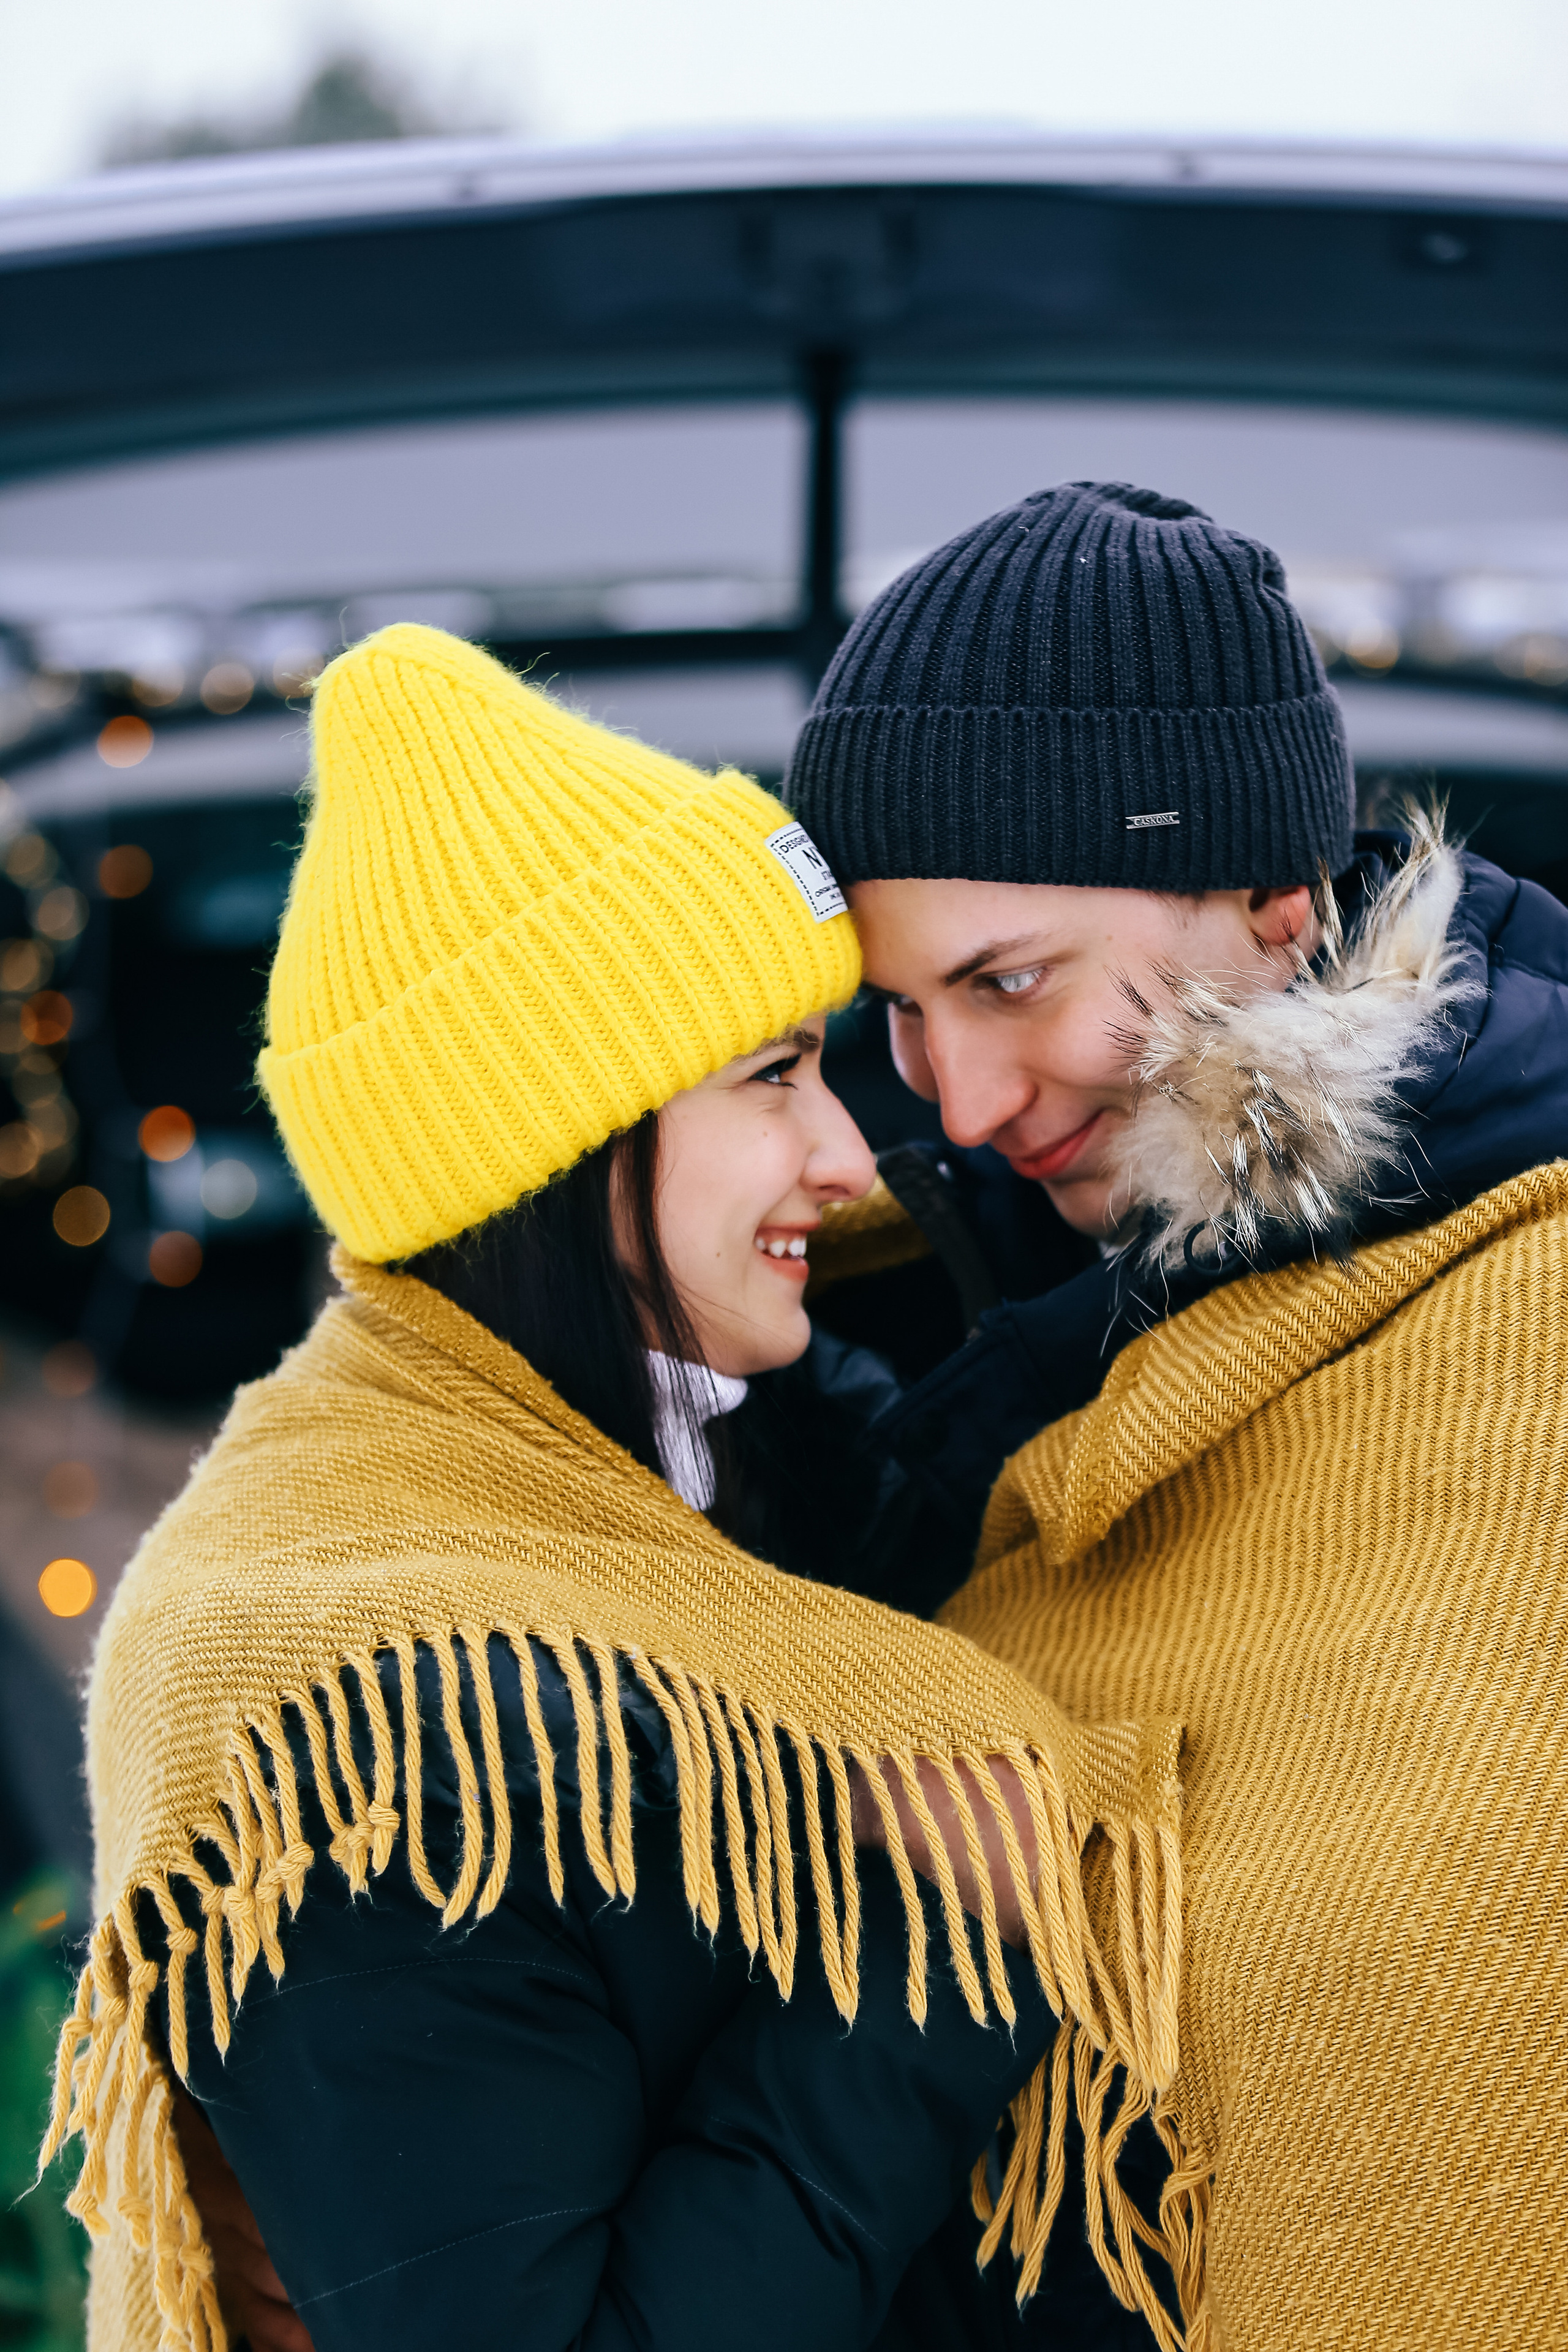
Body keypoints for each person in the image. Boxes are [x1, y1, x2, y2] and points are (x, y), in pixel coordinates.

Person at [45, 624, 1183, 2352]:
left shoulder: (754, 1468)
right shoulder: (355, 1710)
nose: (844, 1152)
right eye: (772, 1078)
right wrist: (934, 1960)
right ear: (559, 1150)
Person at [788, 481, 1568, 2347]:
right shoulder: (976, 1309)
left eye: (1008, 981)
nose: (958, 1099)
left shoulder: (1517, 1326)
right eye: (897, 1011)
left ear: (1276, 905)